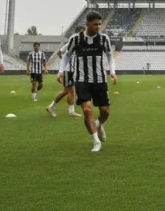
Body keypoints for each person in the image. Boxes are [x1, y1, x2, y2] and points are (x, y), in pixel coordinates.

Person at [58, 11, 117, 152]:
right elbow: (66, 55)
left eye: (99, 24)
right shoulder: (75, 39)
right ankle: (96, 141)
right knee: (87, 109)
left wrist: (113, 72)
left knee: (105, 111)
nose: (98, 27)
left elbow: (109, 55)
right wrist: (61, 70)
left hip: (100, 80)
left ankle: (99, 124)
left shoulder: (103, 39)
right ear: (87, 23)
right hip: (81, 80)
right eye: (95, 24)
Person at [47, 26, 84, 117]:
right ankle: (51, 107)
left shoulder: (82, 44)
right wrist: (64, 63)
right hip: (69, 71)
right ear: (76, 32)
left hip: (73, 71)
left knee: (70, 91)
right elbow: (60, 52)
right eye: (80, 32)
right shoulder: (71, 43)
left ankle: (71, 111)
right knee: (66, 91)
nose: (81, 34)